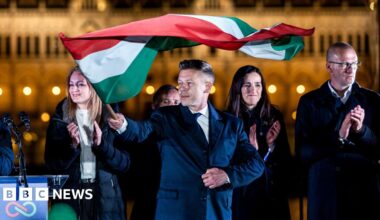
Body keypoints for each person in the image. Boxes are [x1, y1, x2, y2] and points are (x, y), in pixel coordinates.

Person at [109, 59, 265, 220]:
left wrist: (227, 175)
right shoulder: (166, 117)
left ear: (207, 86)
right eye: (180, 83)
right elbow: (141, 131)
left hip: (215, 213)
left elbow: (256, 164)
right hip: (176, 212)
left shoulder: (231, 125)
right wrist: (124, 124)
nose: (181, 88)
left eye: (189, 83)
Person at [295, 42, 380, 220]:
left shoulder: (372, 100)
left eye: (354, 63)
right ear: (329, 66)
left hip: (363, 190)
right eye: (344, 64)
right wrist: (338, 136)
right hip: (325, 192)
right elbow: (303, 153)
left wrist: (361, 130)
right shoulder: (309, 102)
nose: (350, 69)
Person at [44, 66, 130, 220]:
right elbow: (52, 165)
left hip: (105, 198)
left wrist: (102, 145)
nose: (74, 89)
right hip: (70, 196)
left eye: (80, 84)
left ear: (94, 87)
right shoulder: (59, 120)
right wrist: (72, 147)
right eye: (71, 84)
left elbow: (124, 164)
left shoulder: (112, 118)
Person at [226, 65, 292, 220]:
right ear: (238, 88)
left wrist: (271, 146)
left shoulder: (274, 116)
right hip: (240, 198)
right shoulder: (227, 120)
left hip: (270, 197)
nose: (253, 90)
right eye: (247, 85)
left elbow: (285, 161)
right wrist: (251, 152)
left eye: (257, 84)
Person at [129, 84, 180, 220]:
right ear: (155, 106)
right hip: (148, 204)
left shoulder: (187, 136)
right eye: (166, 102)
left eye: (176, 102)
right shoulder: (144, 133)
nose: (172, 106)